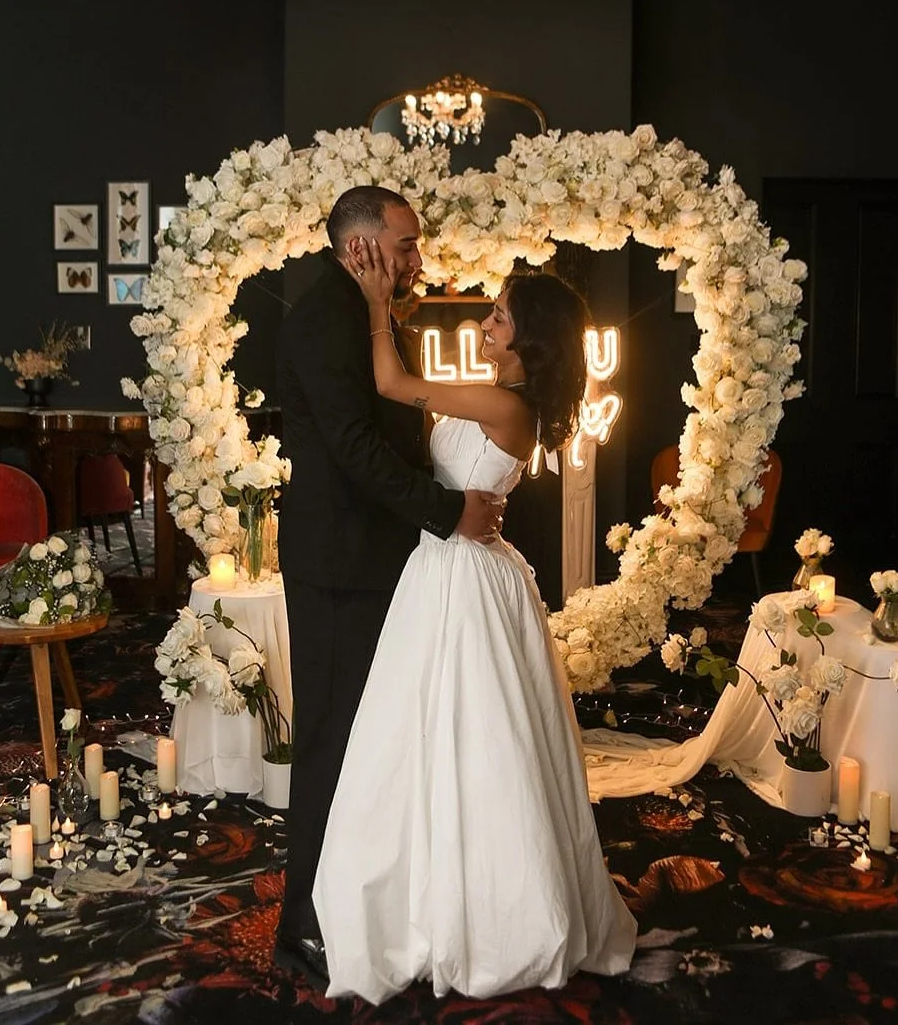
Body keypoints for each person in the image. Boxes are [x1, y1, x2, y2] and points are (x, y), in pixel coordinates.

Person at [313, 246, 638, 1004]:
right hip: (444, 566)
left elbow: (390, 383)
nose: (485, 323)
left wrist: (372, 299)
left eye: (498, 316)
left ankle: (486, 909)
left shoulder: (504, 406)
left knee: (474, 733)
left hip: (462, 576)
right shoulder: (496, 395)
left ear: (529, 340)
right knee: (429, 727)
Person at [273, 187, 501, 988]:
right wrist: (448, 512)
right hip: (340, 561)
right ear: (360, 244)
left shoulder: (358, 305)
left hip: (371, 556)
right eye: (404, 245)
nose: (416, 260)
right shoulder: (324, 313)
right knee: (332, 743)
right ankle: (300, 925)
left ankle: (357, 904)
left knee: (366, 744)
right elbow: (350, 447)